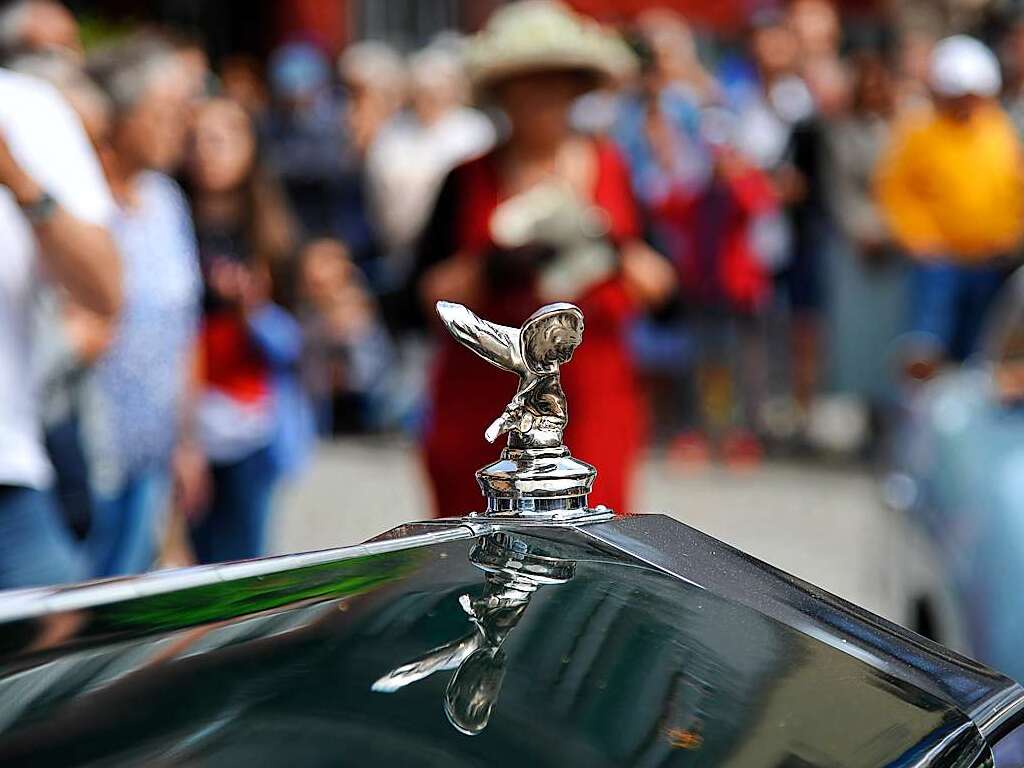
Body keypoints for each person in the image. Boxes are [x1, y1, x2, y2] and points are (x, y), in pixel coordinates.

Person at [413, 1, 672, 517]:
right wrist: (491, 266)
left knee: (591, 548)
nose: (541, 100)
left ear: (578, 89)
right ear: (502, 93)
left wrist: (609, 248)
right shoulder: (466, 178)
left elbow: (663, 286)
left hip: (592, 396)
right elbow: (422, 296)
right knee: (482, 549)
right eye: (526, 85)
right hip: (486, 397)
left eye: (555, 84)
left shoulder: (614, 169)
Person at [83, 37, 201, 577]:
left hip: (151, 457)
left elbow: (185, 326)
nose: (183, 124)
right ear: (120, 114)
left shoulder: (165, 199)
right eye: (167, 111)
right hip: (82, 462)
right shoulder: (80, 202)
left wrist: (186, 441)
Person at [0, 65, 120, 588]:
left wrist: (17, 178)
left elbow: (105, 291)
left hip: (10, 484)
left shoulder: (30, 108)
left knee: (71, 661)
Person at [184, 97, 306, 564]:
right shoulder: (173, 220)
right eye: (195, 140)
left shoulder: (271, 233)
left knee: (244, 558)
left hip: (251, 418)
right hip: (187, 414)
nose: (205, 152)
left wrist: (252, 309)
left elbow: (295, 340)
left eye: (218, 140)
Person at [876, 35, 1024, 370]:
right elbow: (896, 191)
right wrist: (918, 237)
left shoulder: (997, 129)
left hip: (989, 258)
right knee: (930, 338)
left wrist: (1011, 230)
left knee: (978, 345)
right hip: (939, 260)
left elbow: (1013, 185)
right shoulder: (922, 133)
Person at [366, 43, 494, 293]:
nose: (428, 97)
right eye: (422, 90)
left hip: (456, 252)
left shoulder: (474, 131)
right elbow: (377, 198)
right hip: (401, 252)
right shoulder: (393, 134)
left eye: (436, 90)